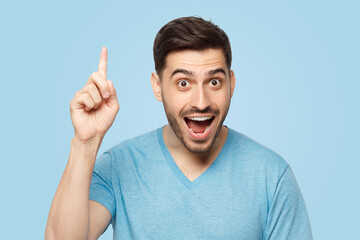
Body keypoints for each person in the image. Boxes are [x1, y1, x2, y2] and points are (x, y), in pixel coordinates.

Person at [45, 17, 312, 239]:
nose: (201, 102)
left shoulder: (271, 176)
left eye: (214, 82)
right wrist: (85, 144)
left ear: (232, 83)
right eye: (183, 83)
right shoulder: (118, 166)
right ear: (157, 87)